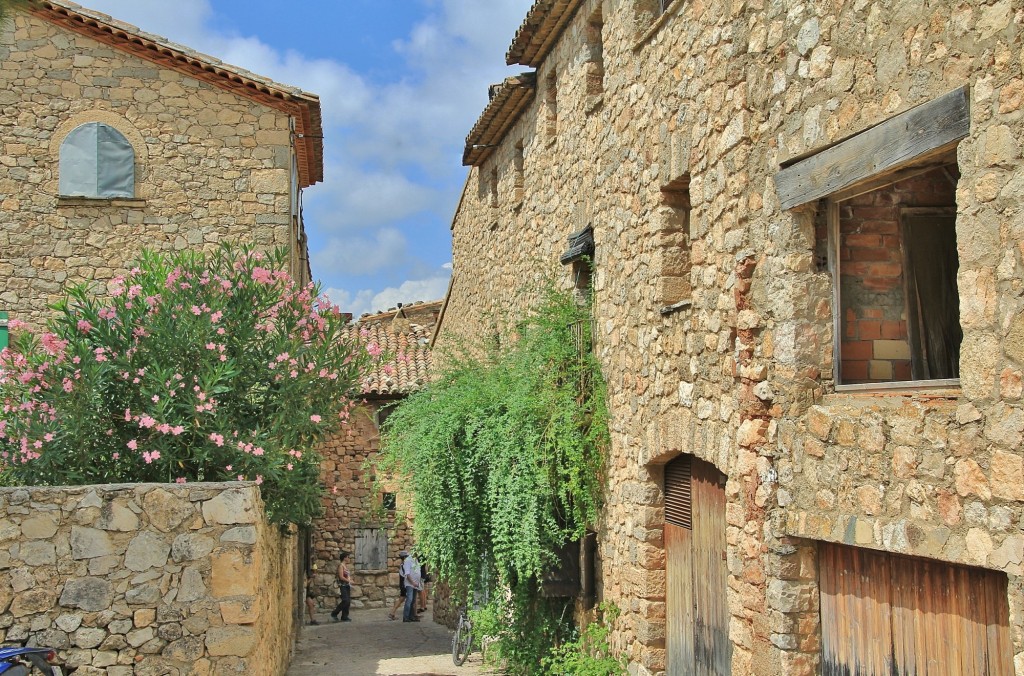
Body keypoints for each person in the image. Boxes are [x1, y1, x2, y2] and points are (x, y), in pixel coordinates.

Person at [329, 551, 352, 622]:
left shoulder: (345, 566)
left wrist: (350, 580)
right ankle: (334, 613)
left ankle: (345, 616)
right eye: (348, 557)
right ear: (344, 558)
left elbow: (347, 576)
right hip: (342, 585)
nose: (349, 558)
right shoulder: (341, 566)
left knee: (348, 601)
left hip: (347, 585)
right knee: (345, 600)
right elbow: (341, 577)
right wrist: (349, 581)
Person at [400, 550, 422, 622]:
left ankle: (411, 616)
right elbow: (407, 574)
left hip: (415, 584)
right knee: (409, 600)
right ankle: (406, 617)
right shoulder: (408, 561)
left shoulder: (416, 560)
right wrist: (412, 583)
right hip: (410, 584)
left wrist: (417, 583)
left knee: (413, 601)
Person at [388, 551, 409, 621]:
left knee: (401, 599)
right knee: (405, 599)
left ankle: (392, 612)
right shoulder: (404, 565)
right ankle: (393, 612)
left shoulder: (402, 565)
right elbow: (407, 575)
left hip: (402, 584)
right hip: (404, 584)